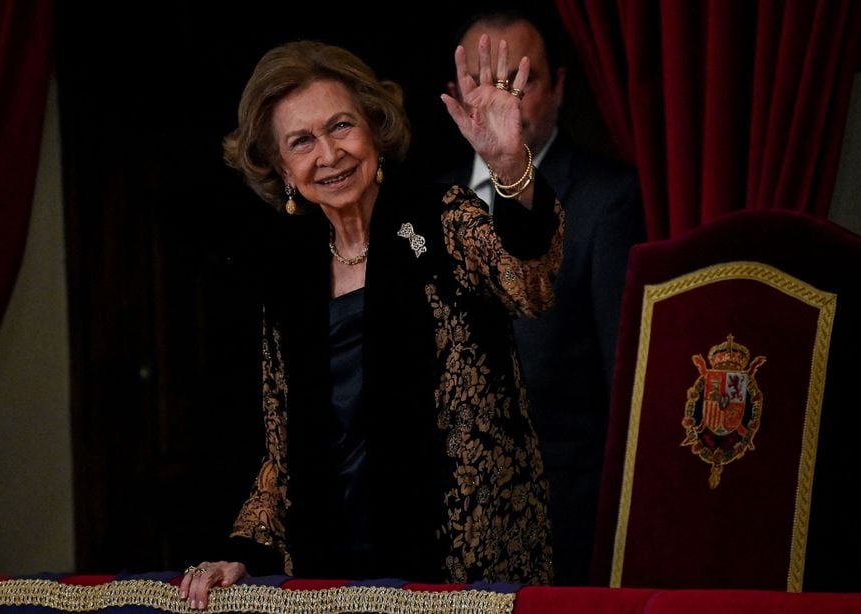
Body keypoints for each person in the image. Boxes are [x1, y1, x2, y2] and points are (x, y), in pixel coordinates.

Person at [179, 37, 563, 608]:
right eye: (301, 142)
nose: (328, 154)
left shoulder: (441, 220)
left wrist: (509, 165)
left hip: (461, 570)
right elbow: (281, 456)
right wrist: (244, 553)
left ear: (375, 129)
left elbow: (529, 285)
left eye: (341, 127)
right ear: (282, 167)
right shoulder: (290, 281)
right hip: (334, 573)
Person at [443, 8, 645, 586]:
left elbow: (622, 377)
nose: (498, 100)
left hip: (563, 512)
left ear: (558, 88)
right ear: (457, 93)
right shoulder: (424, 207)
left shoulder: (607, 198)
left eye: (518, 81)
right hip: (449, 516)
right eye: (482, 81)